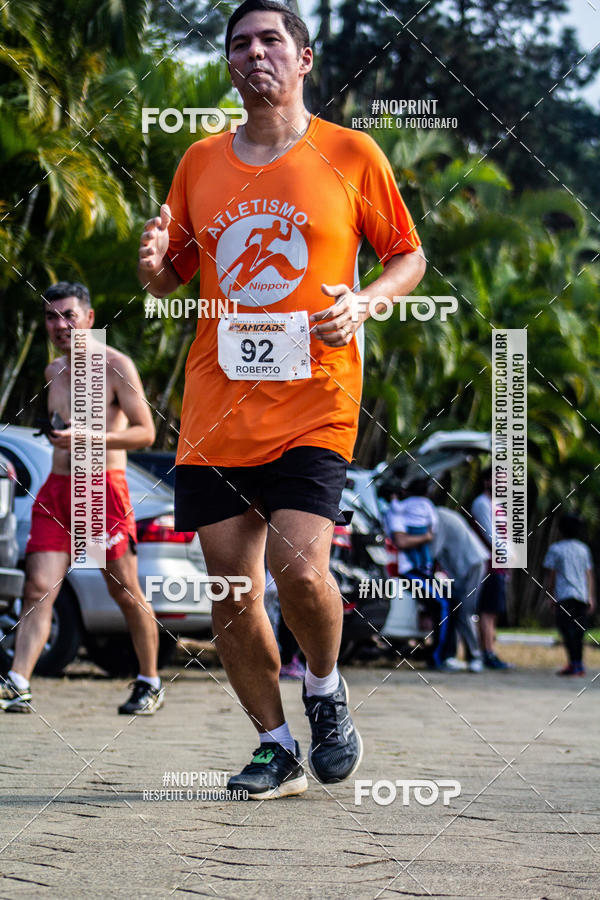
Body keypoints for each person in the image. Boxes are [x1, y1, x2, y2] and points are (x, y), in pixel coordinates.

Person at [138, 0, 426, 799]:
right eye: (240, 43)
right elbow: (174, 276)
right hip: (217, 405)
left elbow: (408, 256)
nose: (254, 51)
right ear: (230, 64)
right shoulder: (199, 162)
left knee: (301, 572)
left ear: (304, 60)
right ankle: (274, 747)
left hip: (317, 400)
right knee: (232, 591)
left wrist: (365, 303)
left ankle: (327, 691)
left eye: (272, 39)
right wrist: (155, 263)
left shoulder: (350, 153)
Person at [0, 282, 163, 715]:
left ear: (89, 318)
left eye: (68, 315)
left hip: (101, 487)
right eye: (52, 317)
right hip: (57, 490)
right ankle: (19, 682)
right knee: (38, 586)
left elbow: (146, 432)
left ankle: (149, 679)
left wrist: (90, 435)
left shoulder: (116, 365)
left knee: (123, 590)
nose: (60, 325)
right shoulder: (55, 371)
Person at [384, 481, 449, 669]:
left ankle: (442, 654)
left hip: (421, 570)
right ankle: (438, 658)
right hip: (409, 571)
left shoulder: (401, 509)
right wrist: (425, 537)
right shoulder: (402, 510)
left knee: (448, 601)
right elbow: (402, 541)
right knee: (444, 603)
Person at [431, 506, 488, 672]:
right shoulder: (443, 514)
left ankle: (475, 657)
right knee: (457, 609)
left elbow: (433, 551)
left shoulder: (439, 518)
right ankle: (453, 656)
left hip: (471, 565)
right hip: (462, 569)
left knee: (465, 611)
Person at [543, 513, 595, 676]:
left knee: (566, 630)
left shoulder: (556, 549)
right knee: (579, 632)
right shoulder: (583, 549)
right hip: (581, 595)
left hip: (564, 595)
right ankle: (578, 664)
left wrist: (550, 595)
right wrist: (590, 596)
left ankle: (573, 663)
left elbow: (551, 575)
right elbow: (589, 574)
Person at [471, 467, 512, 669]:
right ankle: (486, 652)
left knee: (493, 610)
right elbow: (490, 534)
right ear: (487, 481)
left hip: (500, 565)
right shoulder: (481, 503)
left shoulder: (497, 505)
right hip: (489, 564)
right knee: (486, 610)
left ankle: (490, 651)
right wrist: (505, 556)